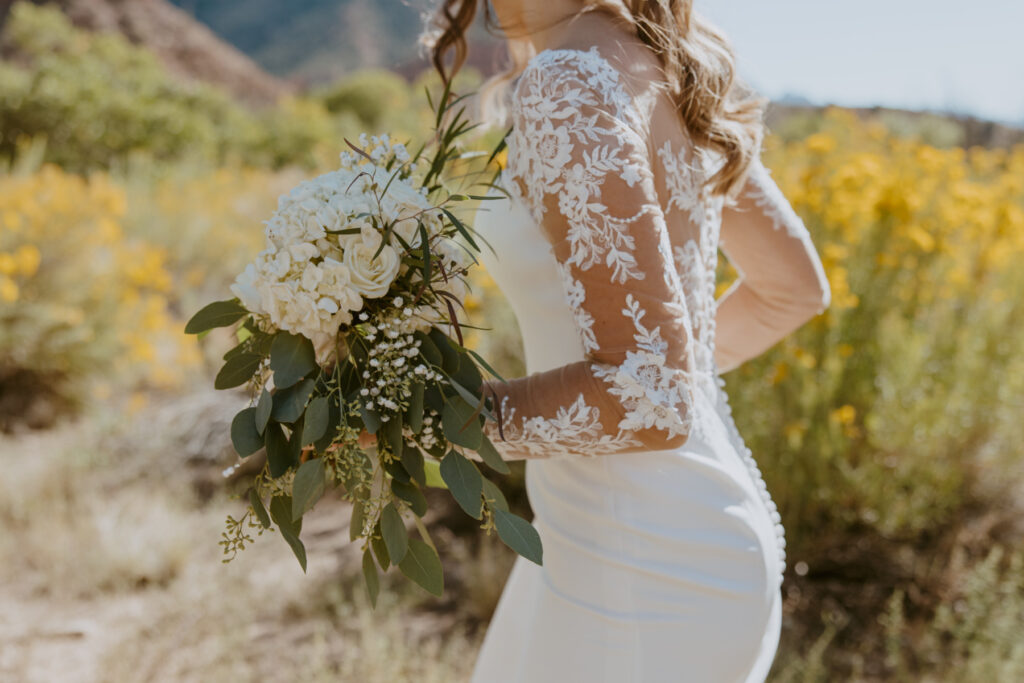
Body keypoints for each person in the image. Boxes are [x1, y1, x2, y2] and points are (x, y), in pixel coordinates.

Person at [423, 1, 832, 680]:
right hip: (645, 536)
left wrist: (436, 422)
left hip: (641, 567)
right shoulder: (660, 65)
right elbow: (789, 291)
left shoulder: (570, 81)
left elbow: (647, 395)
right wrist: (680, 373)